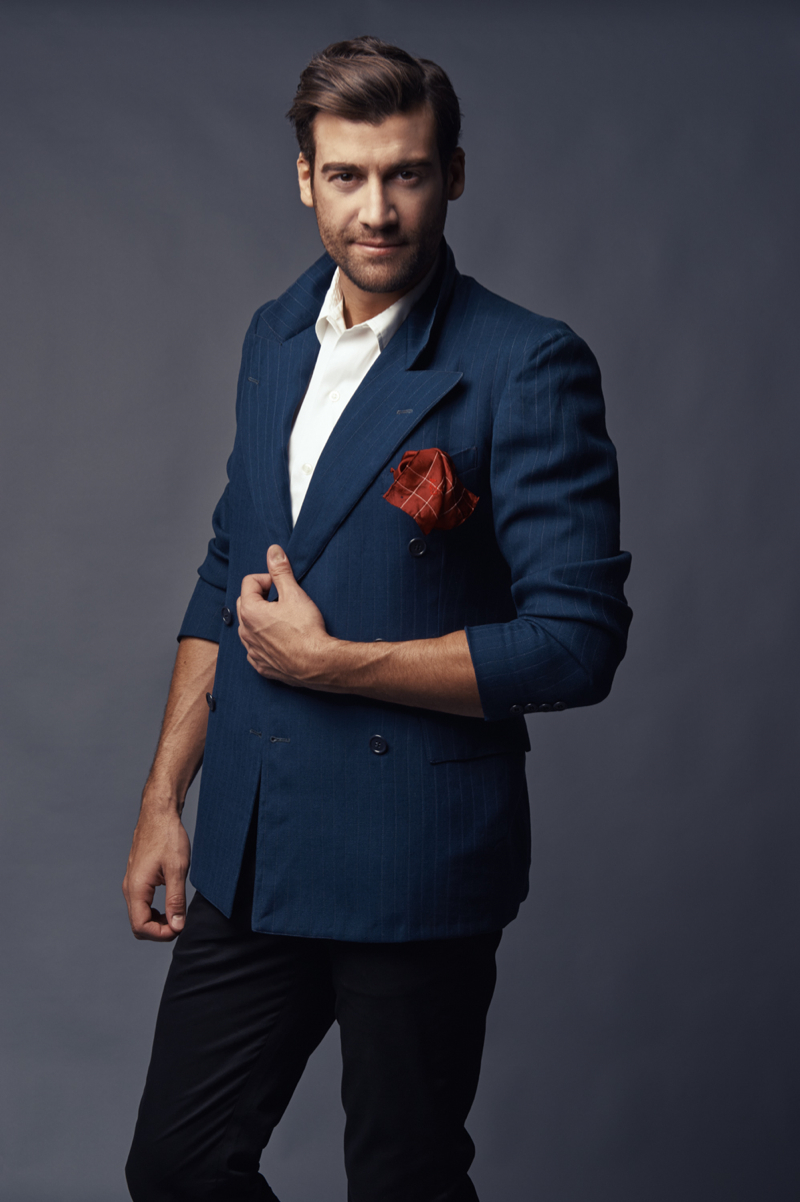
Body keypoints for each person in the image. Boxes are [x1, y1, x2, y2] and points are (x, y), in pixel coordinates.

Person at [123, 34, 632, 1202]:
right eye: (347, 176)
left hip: (416, 850)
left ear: (452, 173)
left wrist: (336, 663)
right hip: (256, 845)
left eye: (404, 173)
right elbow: (225, 571)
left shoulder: (525, 362)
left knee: (402, 1178)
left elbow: (576, 643)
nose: (378, 211)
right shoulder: (271, 336)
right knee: (177, 1165)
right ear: (304, 178)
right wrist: (162, 799)